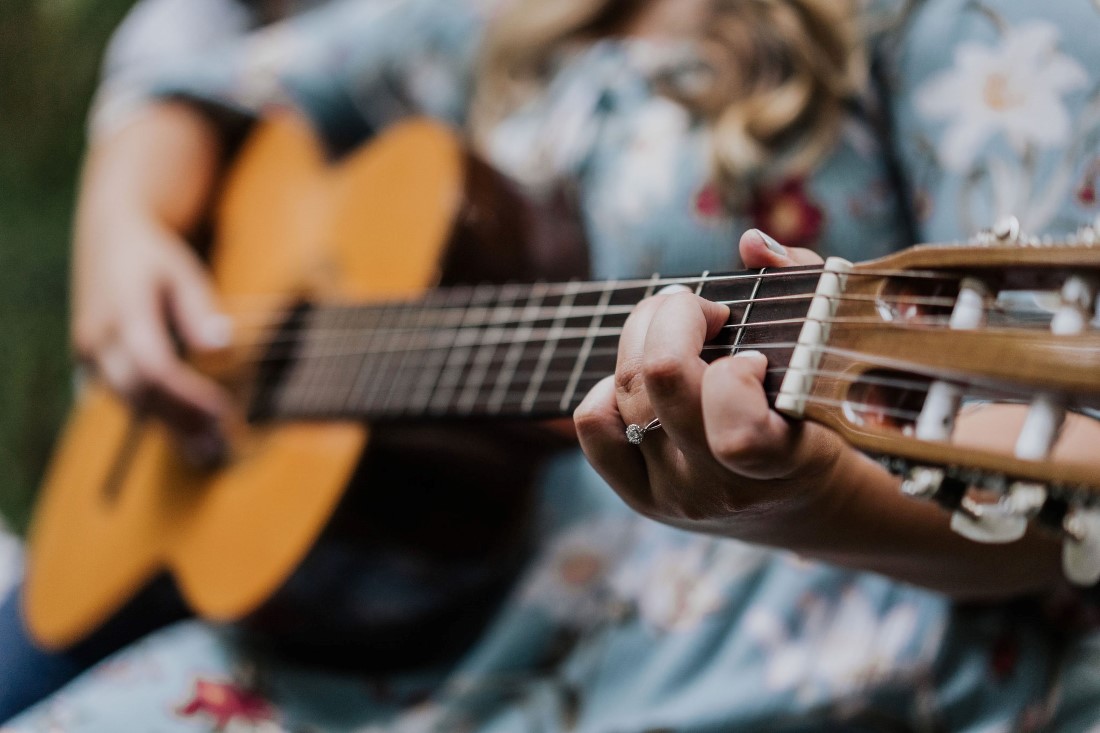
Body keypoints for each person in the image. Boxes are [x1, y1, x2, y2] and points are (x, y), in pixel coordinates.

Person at [4, 0, 1100, 730]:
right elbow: (211, 77)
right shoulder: (511, 20)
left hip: (739, 660)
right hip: (398, 639)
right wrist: (126, 220)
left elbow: (1059, 476)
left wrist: (798, 496)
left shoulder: (960, 24)